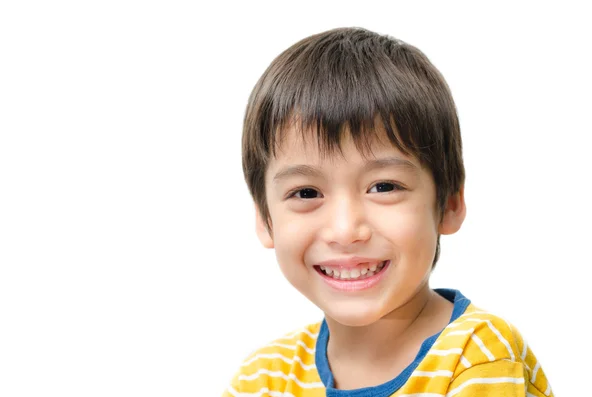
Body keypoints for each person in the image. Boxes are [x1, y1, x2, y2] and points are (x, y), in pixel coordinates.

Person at [224, 27, 552, 397]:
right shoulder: (263, 379)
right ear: (265, 218)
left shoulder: (476, 356)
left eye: (383, 187)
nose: (346, 230)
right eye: (306, 192)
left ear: (449, 202)